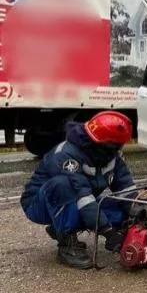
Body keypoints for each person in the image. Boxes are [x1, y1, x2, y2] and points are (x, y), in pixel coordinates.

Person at [20, 111, 136, 269]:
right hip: (39, 204)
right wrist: (108, 232)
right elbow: (83, 196)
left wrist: (139, 211)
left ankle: (61, 226)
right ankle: (66, 243)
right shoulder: (66, 155)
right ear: (108, 144)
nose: (120, 147)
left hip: (79, 200)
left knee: (120, 205)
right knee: (62, 184)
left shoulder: (112, 156)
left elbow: (125, 188)